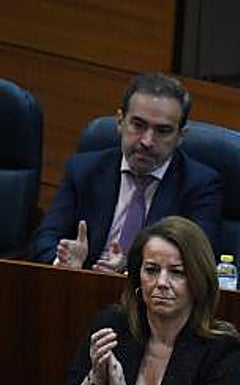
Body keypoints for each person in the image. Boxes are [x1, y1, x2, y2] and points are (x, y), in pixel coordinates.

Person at [61, 215, 240, 385]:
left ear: (198, 281)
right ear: (137, 277)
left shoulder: (221, 351)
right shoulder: (112, 327)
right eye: (151, 270)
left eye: (177, 272)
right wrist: (96, 378)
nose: (161, 283)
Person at [30, 72, 221, 273]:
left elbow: (197, 262)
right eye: (138, 125)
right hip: (81, 287)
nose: (147, 141)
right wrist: (65, 263)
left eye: (162, 131)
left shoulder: (200, 185)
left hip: (150, 298)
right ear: (120, 122)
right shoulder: (83, 170)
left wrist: (131, 271)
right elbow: (45, 240)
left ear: (181, 136)